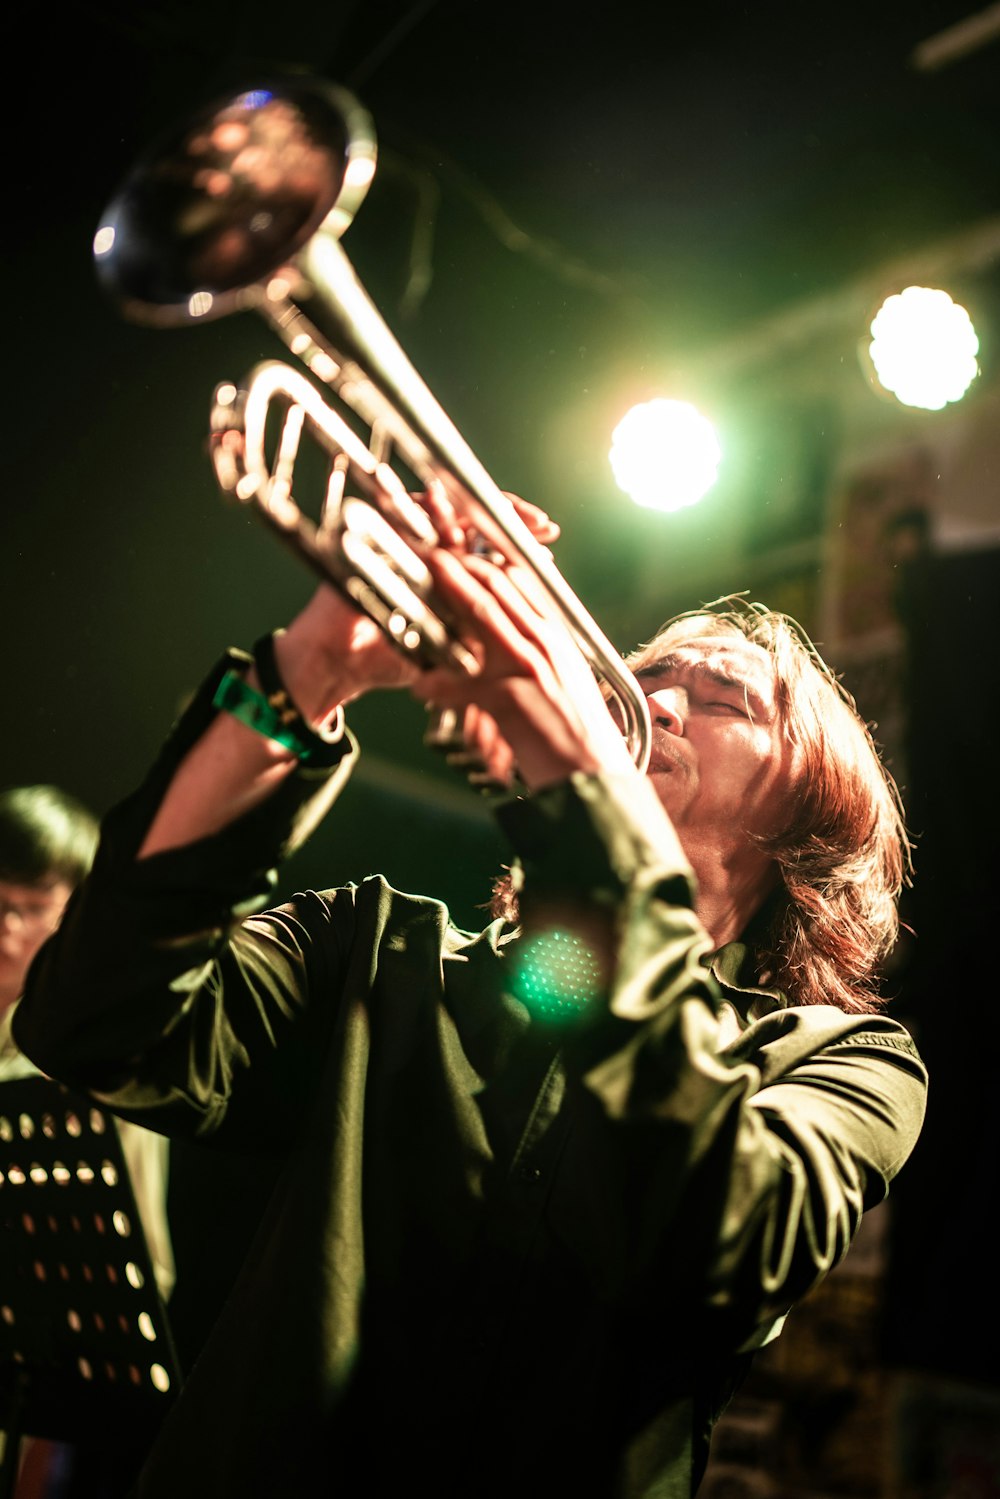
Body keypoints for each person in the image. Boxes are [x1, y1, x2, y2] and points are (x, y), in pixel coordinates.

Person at [13, 491, 927, 1499]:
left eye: (722, 699)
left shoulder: (846, 1062)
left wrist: (581, 787)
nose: (655, 701)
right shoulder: (373, 945)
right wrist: (307, 668)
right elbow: (94, 1016)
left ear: (813, 804)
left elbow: (722, 1238)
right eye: (643, 676)